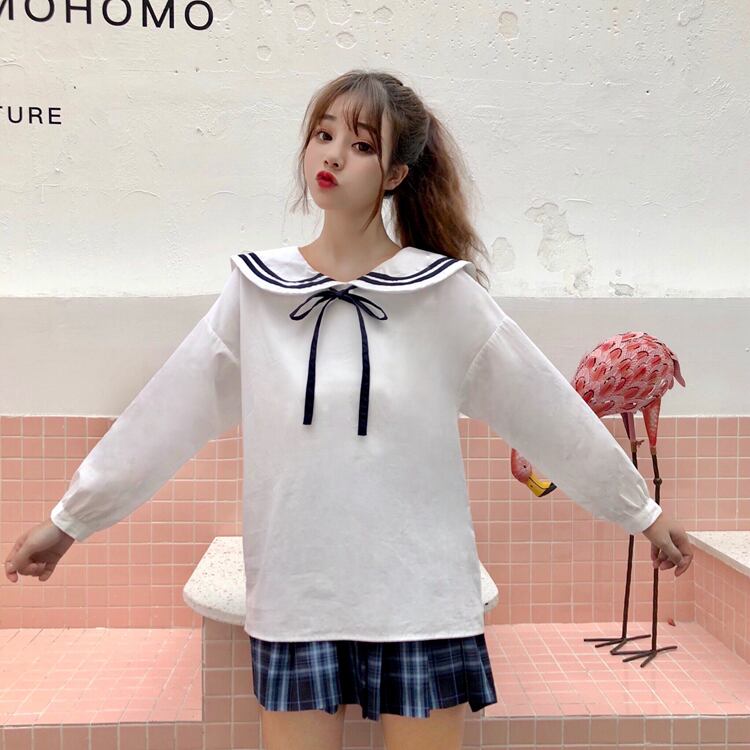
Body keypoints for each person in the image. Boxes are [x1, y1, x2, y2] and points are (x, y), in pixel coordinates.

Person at [5, 69, 693, 750]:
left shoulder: (442, 295)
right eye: (323, 135)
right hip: (298, 595)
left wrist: (641, 511)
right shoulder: (258, 292)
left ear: (395, 174)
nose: (332, 155)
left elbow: (546, 411)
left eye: (362, 145)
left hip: (420, 597)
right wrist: (71, 520)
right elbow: (165, 413)